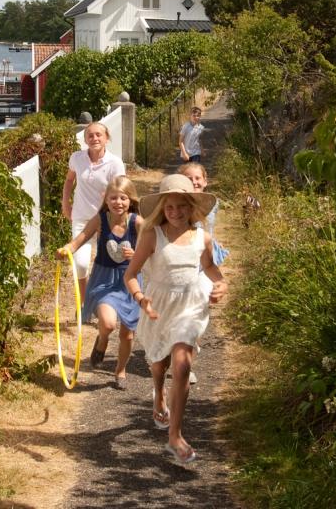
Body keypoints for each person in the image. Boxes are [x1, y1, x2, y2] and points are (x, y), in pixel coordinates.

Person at [123, 174, 228, 464]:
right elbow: (130, 275)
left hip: (191, 306)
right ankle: (158, 391)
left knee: (182, 365)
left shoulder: (202, 238)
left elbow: (210, 268)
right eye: (169, 207)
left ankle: (175, 436)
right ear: (162, 208)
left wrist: (221, 284)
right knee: (159, 364)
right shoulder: (151, 235)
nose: (176, 212)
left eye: (182, 206)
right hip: (158, 306)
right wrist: (141, 299)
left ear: (191, 206)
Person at [57, 176, 143, 390]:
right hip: (104, 280)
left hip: (130, 281)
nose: (118, 202)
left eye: (123, 198)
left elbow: (152, 251)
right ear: (106, 200)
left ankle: (120, 370)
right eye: (113, 198)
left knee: (127, 334)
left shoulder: (137, 222)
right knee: (108, 323)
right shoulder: (100, 219)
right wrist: (66, 249)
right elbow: (79, 240)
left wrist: (136, 255)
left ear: (131, 200)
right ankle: (103, 340)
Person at [176, 162, 230, 386]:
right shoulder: (176, 206)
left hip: (204, 263)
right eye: (189, 178)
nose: (194, 182)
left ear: (205, 181)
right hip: (182, 263)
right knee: (180, 313)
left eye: (198, 178)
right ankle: (179, 350)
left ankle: (189, 357)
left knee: (198, 312)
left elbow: (206, 228)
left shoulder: (212, 203)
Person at [61, 122, 126, 301]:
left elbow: (122, 191)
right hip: (81, 218)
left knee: (109, 265)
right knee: (81, 265)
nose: (94, 138)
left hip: (106, 220)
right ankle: (84, 303)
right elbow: (69, 180)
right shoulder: (77, 158)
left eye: (98, 135)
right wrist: (65, 203)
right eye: (90, 135)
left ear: (106, 138)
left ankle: (108, 301)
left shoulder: (115, 163)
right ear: (85, 139)